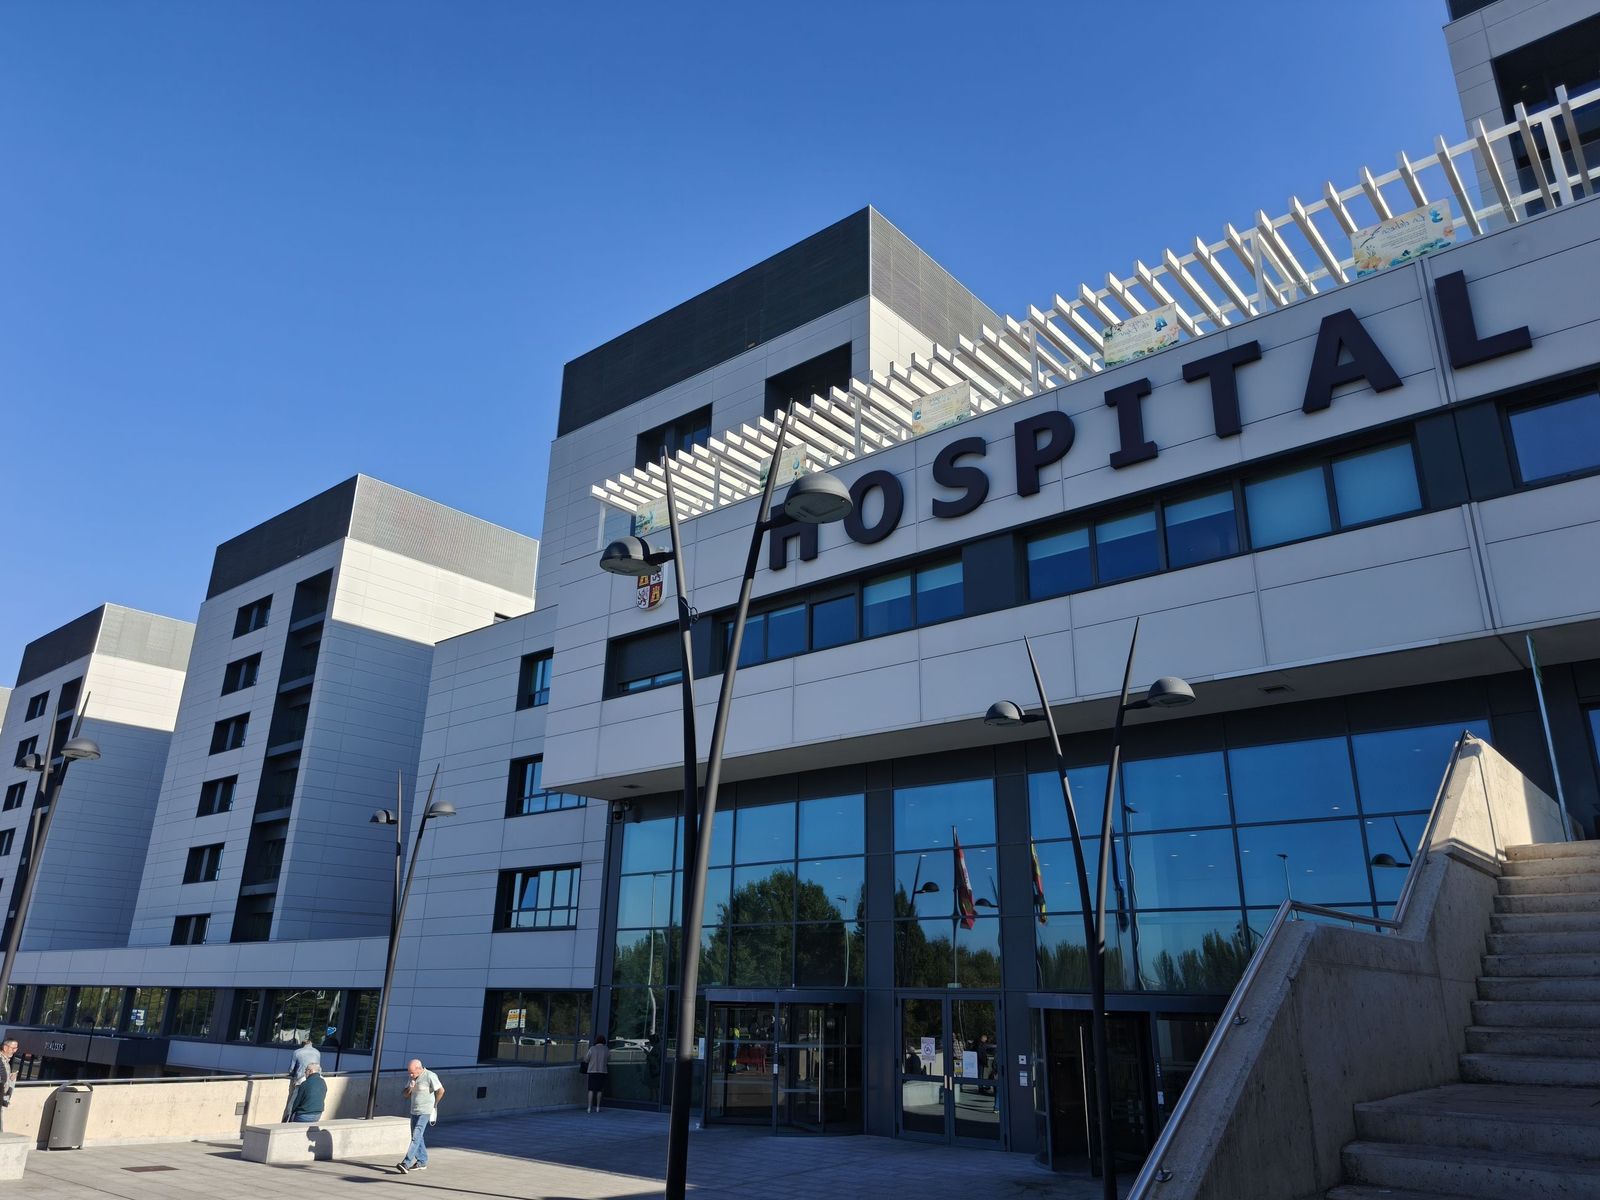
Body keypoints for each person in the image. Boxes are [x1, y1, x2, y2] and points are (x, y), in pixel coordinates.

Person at [396, 1058, 443, 1174]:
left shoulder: (430, 1076)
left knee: (416, 1136)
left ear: (419, 1068)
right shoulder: (412, 1078)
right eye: (409, 1072)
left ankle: (406, 1163)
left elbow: (441, 1090)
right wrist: (411, 1087)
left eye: (412, 1072)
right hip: (414, 1111)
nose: (410, 1074)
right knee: (417, 1136)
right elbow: (405, 1095)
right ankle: (422, 1161)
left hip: (425, 1111)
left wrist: (435, 1105)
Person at [283, 1037, 322, 1121]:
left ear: (302, 1044)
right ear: (311, 1043)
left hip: (302, 1079)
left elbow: (291, 1069)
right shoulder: (317, 1052)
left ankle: (288, 1120)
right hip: (317, 1080)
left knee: (293, 1102)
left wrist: (293, 1074)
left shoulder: (297, 1052)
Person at [581, 1036, 609, 1113]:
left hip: (592, 1071)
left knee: (591, 1090)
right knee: (599, 1090)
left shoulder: (592, 1048)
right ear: (604, 1041)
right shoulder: (606, 1049)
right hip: (602, 1072)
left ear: (596, 1041)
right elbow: (609, 1059)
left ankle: (589, 1108)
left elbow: (586, 1059)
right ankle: (597, 1107)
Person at [0, 1039, 16, 1132]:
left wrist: (10, 1078)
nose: (15, 1051)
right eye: (13, 1048)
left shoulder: (6, 1061)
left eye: (16, 1048)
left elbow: (3, 1078)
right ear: (5, 1047)